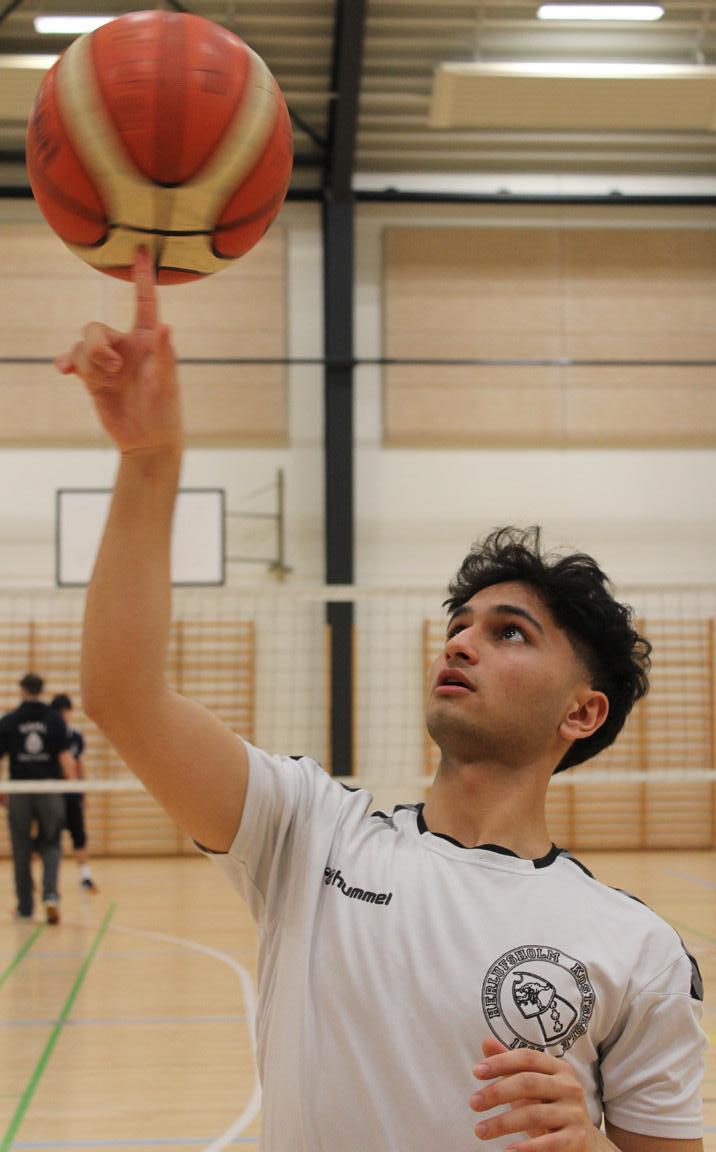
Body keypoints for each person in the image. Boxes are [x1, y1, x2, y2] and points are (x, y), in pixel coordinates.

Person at [56, 249, 706, 1151]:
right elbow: (122, 695)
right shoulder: (308, 834)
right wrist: (150, 457)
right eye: (461, 624)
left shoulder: (638, 948)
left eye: (511, 633)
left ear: (582, 712)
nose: (461, 641)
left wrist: (590, 1146)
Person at [0, 673, 75, 923]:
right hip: (49, 789)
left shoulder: (9, 720)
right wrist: (76, 791)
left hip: (20, 791)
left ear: (22, 690)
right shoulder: (54, 719)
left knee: (21, 848)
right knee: (52, 843)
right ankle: (50, 896)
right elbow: (66, 759)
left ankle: (25, 907)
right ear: (41, 690)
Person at [50, 694, 98, 893]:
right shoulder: (49, 734)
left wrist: (83, 793)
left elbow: (80, 766)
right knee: (46, 837)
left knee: (79, 834)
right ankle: (42, 880)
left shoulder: (76, 736)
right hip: (52, 795)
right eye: (59, 712)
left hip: (71, 795)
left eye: (65, 712)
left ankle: (86, 876)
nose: (63, 716)